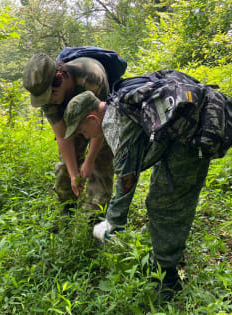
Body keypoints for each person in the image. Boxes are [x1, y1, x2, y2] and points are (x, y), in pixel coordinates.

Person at [63, 90, 212, 301]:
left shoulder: (115, 126)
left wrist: (111, 223)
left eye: (82, 131)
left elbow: (126, 181)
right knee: (159, 199)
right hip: (177, 139)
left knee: (167, 206)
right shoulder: (117, 105)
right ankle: (163, 256)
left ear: (92, 118)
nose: (84, 137)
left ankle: (168, 280)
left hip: (189, 141)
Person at [22, 52, 114, 215]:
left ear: (59, 77)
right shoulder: (45, 91)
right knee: (66, 166)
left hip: (99, 118)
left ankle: (95, 215)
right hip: (74, 121)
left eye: (50, 95)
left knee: (101, 162)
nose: (49, 101)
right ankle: (68, 207)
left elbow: (101, 122)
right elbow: (63, 137)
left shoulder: (91, 77)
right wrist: (73, 174)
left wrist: (89, 160)